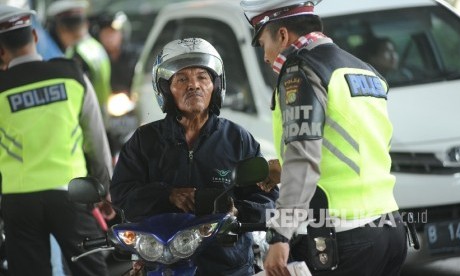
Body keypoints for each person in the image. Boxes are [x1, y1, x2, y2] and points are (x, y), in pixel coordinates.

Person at [240, 1, 408, 275]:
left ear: (282, 35)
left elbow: (303, 159)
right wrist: (282, 170)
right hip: (390, 230)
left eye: (263, 44)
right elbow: (356, 151)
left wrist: (280, 235)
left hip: (343, 237)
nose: (266, 57)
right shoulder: (362, 69)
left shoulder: (301, 71)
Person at [110, 37, 279, 275]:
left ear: (216, 86)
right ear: (165, 89)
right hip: (162, 264)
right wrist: (168, 195)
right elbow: (121, 195)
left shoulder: (238, 139)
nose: (194, 85)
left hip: (226, 265)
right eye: (182, 79)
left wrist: (236, 210)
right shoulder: (144, 140)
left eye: (202, 77)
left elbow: (268, 201)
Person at [0, 4, 114, 276]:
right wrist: (105, 191)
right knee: (92, 269)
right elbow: (96, 140)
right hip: (72, 194)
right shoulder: (71, 74)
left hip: (19, 200)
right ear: (35, 38)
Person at [47, 0, 111, 113]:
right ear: (85, 24)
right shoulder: (96, 46)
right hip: (101, 115)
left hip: (86, 119)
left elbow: (75, 96)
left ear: (61, 29)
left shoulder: (76, 56)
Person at [95, 11, 140, 93]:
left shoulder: (135, 56)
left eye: (113, 33)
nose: (109, 38)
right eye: (105, 34)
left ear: (122, 34)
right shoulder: (96, 59)